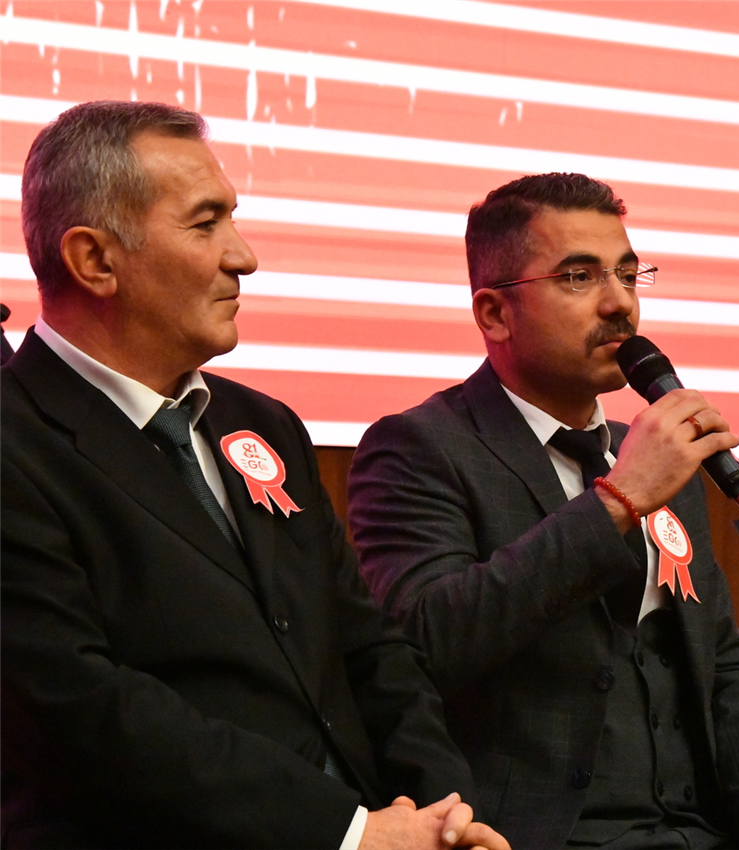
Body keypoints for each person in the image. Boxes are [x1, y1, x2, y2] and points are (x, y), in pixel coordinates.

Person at [0, 100, 508, 850]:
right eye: (205, 224)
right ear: (95, 261)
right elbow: (78, 709)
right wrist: (348, 834)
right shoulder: (16, 438)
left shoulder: (263, 423)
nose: (244, 257)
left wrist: (446, 813)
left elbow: (368, 648)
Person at [347, 172, 739, 850]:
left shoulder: (652, 455)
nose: (619, 303)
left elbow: (720, 653)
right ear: (494, 313)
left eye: (628, 275)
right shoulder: (421, 447)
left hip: (698, 833)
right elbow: (425, 643)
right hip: (532, 835)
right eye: (578, 277)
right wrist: (616, 503)